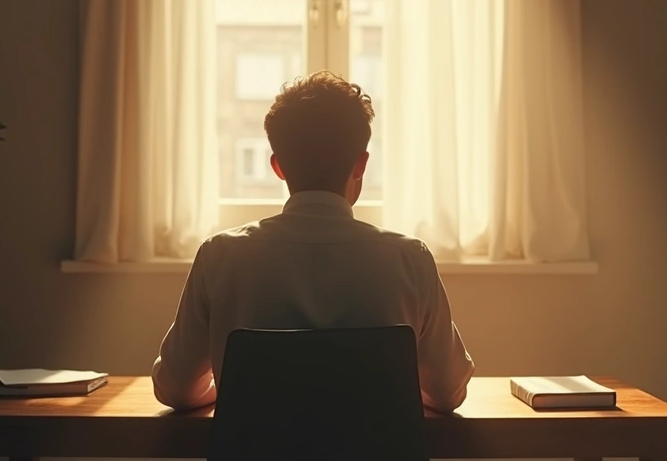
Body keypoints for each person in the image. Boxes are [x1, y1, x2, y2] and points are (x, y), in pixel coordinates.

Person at [151, 70, 474, 413]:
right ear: (361, 165)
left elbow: (177, 389)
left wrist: (231, 387)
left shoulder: (220, 256)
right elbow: (448, 393)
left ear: (278, 167)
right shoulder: (410, 260)